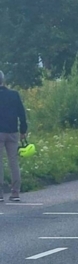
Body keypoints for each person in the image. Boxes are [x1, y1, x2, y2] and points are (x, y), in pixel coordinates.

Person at [0, 70, 28, 202]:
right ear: (3, 80)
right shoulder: (14, 95)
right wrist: (23, 130)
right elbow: (21, 113)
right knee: (13, 162)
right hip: (13, 132)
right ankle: (15, 192)